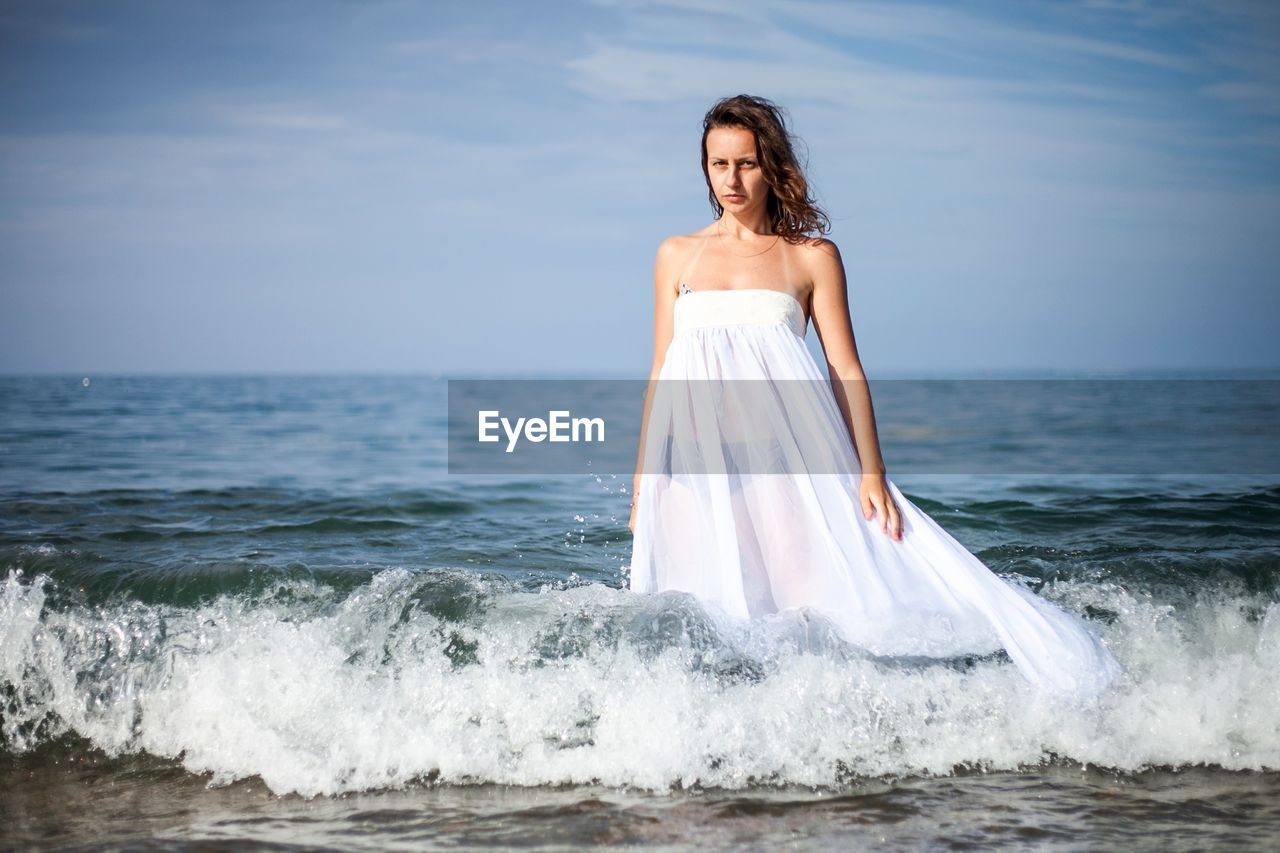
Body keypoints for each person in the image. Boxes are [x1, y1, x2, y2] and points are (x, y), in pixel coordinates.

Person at [627, 94, 1120, 701]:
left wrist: (871, 471)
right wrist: (645, 475)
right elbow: (661, 370)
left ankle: (833, 728)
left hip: (785, 462)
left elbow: (844, 367)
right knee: (705, 613)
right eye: (718, 164)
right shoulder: (676, 254)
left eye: (746, 163)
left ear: (770, 164)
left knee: (801, 607)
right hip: (694, 467)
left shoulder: (810, 257)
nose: (731, 179)